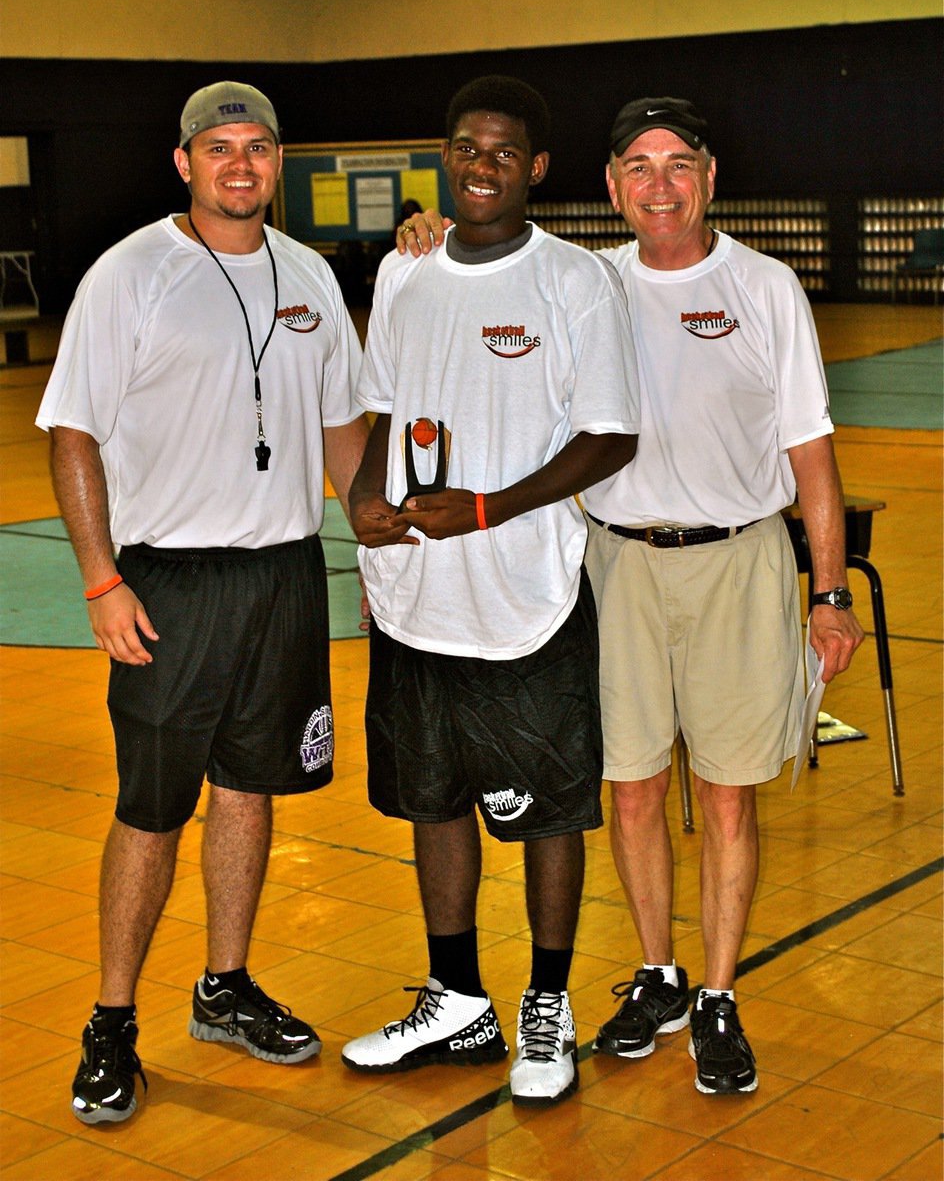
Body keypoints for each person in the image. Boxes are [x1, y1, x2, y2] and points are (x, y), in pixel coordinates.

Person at [398, 96, 864, 1096]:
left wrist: (827, 593)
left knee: (727, 794)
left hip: (737, 562)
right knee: (632, 786)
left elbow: (811, 459)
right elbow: (485, 280)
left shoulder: (766, 287)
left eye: (676, 164)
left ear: (706, 177)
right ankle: (657, 974)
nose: (658, 185)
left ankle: (718, 995)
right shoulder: (583, 281)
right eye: (636, 168)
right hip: (609, 562)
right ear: (608, 187)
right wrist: (432, 237)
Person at [36, 81, 370, 1125]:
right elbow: (73, 431)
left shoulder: (308, 273)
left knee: (249, 785)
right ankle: (112, 1020)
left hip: (280, 574)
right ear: (183, 161)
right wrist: (101, 577)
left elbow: (342, 429)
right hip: (168, 578)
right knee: (150, 805)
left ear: (281, 163)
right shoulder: (132, 273)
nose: (240, 165)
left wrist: (387, 532)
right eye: (219, 148)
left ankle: (224, 986)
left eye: (259, 148)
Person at [340, 75, 640, 1107]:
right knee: (432, 796)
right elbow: (382, 408)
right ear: (444, 156)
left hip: (526, 594)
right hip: (416, 593)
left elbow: (611, 434)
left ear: (537, 168)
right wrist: (362, 496)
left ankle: (544, 1004)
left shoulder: (574, 282)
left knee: (550, 811)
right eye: (465, 148)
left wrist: (489, 508)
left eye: (502, 152)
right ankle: (454, 997)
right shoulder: (404, 273)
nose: (479, 166)